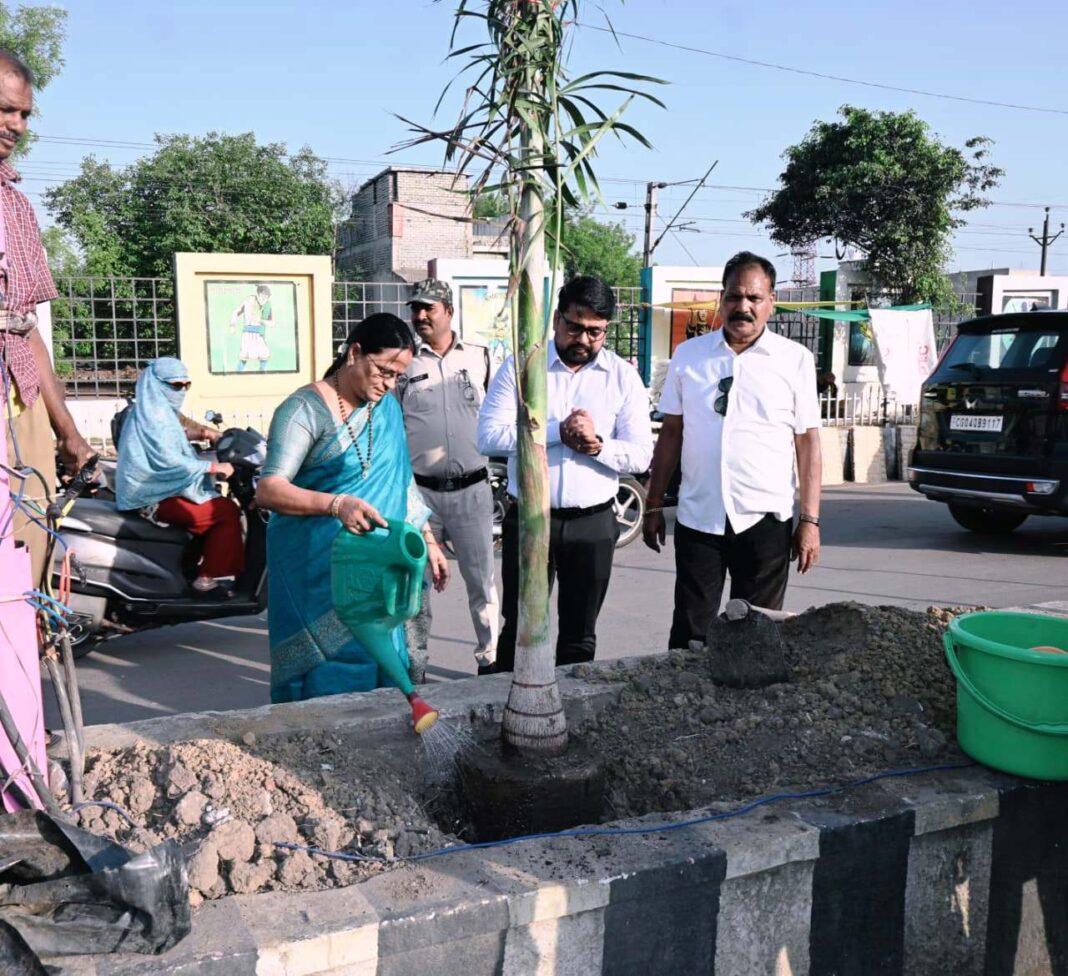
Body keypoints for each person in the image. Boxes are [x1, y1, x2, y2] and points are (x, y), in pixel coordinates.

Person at [256, 313, 450, 703]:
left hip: (380, 565)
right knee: (324, 679)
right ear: (354, 353)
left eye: (397, 376)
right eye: (383, 371)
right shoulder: (303, 410)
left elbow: (401, 480)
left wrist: (427, 538)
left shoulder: (387, 408)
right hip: (319, 571)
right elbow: (270, 489)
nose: (388, 384)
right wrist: (337, 504)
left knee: (383, 670)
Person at [643, 251, 822, 648]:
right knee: (690, 632)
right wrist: (653, 504)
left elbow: (807, 442)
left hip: (765, 520)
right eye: (734, 296)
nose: (743, 306)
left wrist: (810, 520)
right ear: (721, 300)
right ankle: (688, 687)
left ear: (771, 301)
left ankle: (748, 689)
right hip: (699, 516)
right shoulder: (689, 356)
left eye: (754, 298)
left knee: (757, 633)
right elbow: (671, 433)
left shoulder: (794, 360)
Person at [478, 275, 653, 671]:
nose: (583, 339)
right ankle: (510, 699)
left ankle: (568, 703)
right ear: (557, 319)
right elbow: (488, 436)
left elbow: (641, 456)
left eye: (595, 331)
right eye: (574, 326)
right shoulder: (523, 368)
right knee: (519, 625)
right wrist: (559, 431)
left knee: (579, 633)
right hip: (530, 517)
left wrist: (597, 445)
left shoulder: (622, 376)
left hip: (592, 523)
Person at [0, 50, 94, 590]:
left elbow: (25, 324)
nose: (16, 125)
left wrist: (69, 433)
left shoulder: (16, 207)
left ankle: (25, 640)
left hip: (23, 395)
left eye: (24, 114)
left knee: (32, 538)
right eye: (4, 110)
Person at [397, 278, 499, 680]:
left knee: (482, 582)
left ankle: (489, 662)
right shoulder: (403, 363)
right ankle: (415, 666)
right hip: (420, 495)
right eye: (416, 309)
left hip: (473, 490)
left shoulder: (480, 358)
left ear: (449, 312)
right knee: (414, 586)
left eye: (429, 308)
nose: (421, 316)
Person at [115, 357, 244, 597]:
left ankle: (186, 568)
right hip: (151, 495)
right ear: (156, 384)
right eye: (176, 385)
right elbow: (168, 460)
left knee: (212, 506)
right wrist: (212, 468)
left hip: (154, 490)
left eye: (186, 385)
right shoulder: (155, 415)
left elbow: (169, 436)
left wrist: (203, 433)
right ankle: (205, 581)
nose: (182, 391)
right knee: (224, 511)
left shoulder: (151, 410)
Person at [230, 284, 273, 372]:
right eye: (262, 296)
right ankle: (237, 374)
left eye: (266, 297)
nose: (263, 299)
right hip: (248, 333)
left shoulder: (267, 305)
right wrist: (232, 325)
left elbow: (272, 323)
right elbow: (235, 312)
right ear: (258, 294)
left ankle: (262, 374)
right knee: (244, 357)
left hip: (259, 335)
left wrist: (261, 320)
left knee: (264, 355)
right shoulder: (250, 300)